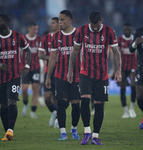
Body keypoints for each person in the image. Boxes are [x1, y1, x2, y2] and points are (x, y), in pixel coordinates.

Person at [67, 10, 122, 145]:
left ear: (101, 21)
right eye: (93, 25)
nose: (95, 28)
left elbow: (116, 52)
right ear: (89, 21)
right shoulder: (81, 31)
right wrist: (70, 70)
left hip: (102, 75)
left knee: (99, 105)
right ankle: (87, 132)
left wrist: (118, 70)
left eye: (97, 25)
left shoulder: (110, 32)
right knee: (84, 101)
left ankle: (96, 136)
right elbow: (75, 51)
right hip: (85, 72)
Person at [0, 14, 31, 140]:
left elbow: (27, 51)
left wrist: (27, 66)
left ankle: (10, 131)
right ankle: (7, 131)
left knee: (12, 102)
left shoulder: (17, 36)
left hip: (14, 76)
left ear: (6, 23)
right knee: (3, 105)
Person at [45, 10, 80, 140]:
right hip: (60, 75)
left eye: (62, 20)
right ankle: (63, 132)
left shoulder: (78, 34)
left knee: (76, 103)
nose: (60, 22)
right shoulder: (55, 37)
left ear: (70, 20)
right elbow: (53, 57)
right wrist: (48, 76)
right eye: (59, 20)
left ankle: (74, 129)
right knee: (60, 103)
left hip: (76, 75)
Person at [38, 17, 59, 127]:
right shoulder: (45, 38)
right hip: (49, 71)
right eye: (50, 23)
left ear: (59, 24)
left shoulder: (62, 37)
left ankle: (58, 119)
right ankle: (54, 112)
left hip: (60, 70)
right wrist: (52, 58)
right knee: (47, 96)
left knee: (57, 97)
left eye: (53, 23)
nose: (51, 25)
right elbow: (40, 55)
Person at [21, 22, 41, 119]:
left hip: (36, 68)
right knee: (24, 88)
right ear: (29, 28)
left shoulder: (39, 40)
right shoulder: (23, 39)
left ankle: (33, 111)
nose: (35, 31)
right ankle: (25, 104)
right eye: (34, 29)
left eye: (36, 29)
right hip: (25, 68)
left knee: (35, 88)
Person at [117, 23, 137, 118]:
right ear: (123, 30)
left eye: (129, 29)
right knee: (122, 88)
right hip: (123, 68)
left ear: (131, 29)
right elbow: (116, 54)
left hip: (133, 66)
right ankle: (125, 111)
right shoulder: (119, 40)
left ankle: (132, 108)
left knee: (133, 85)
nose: (127, 31)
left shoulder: (135, 40)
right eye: (126, 30)